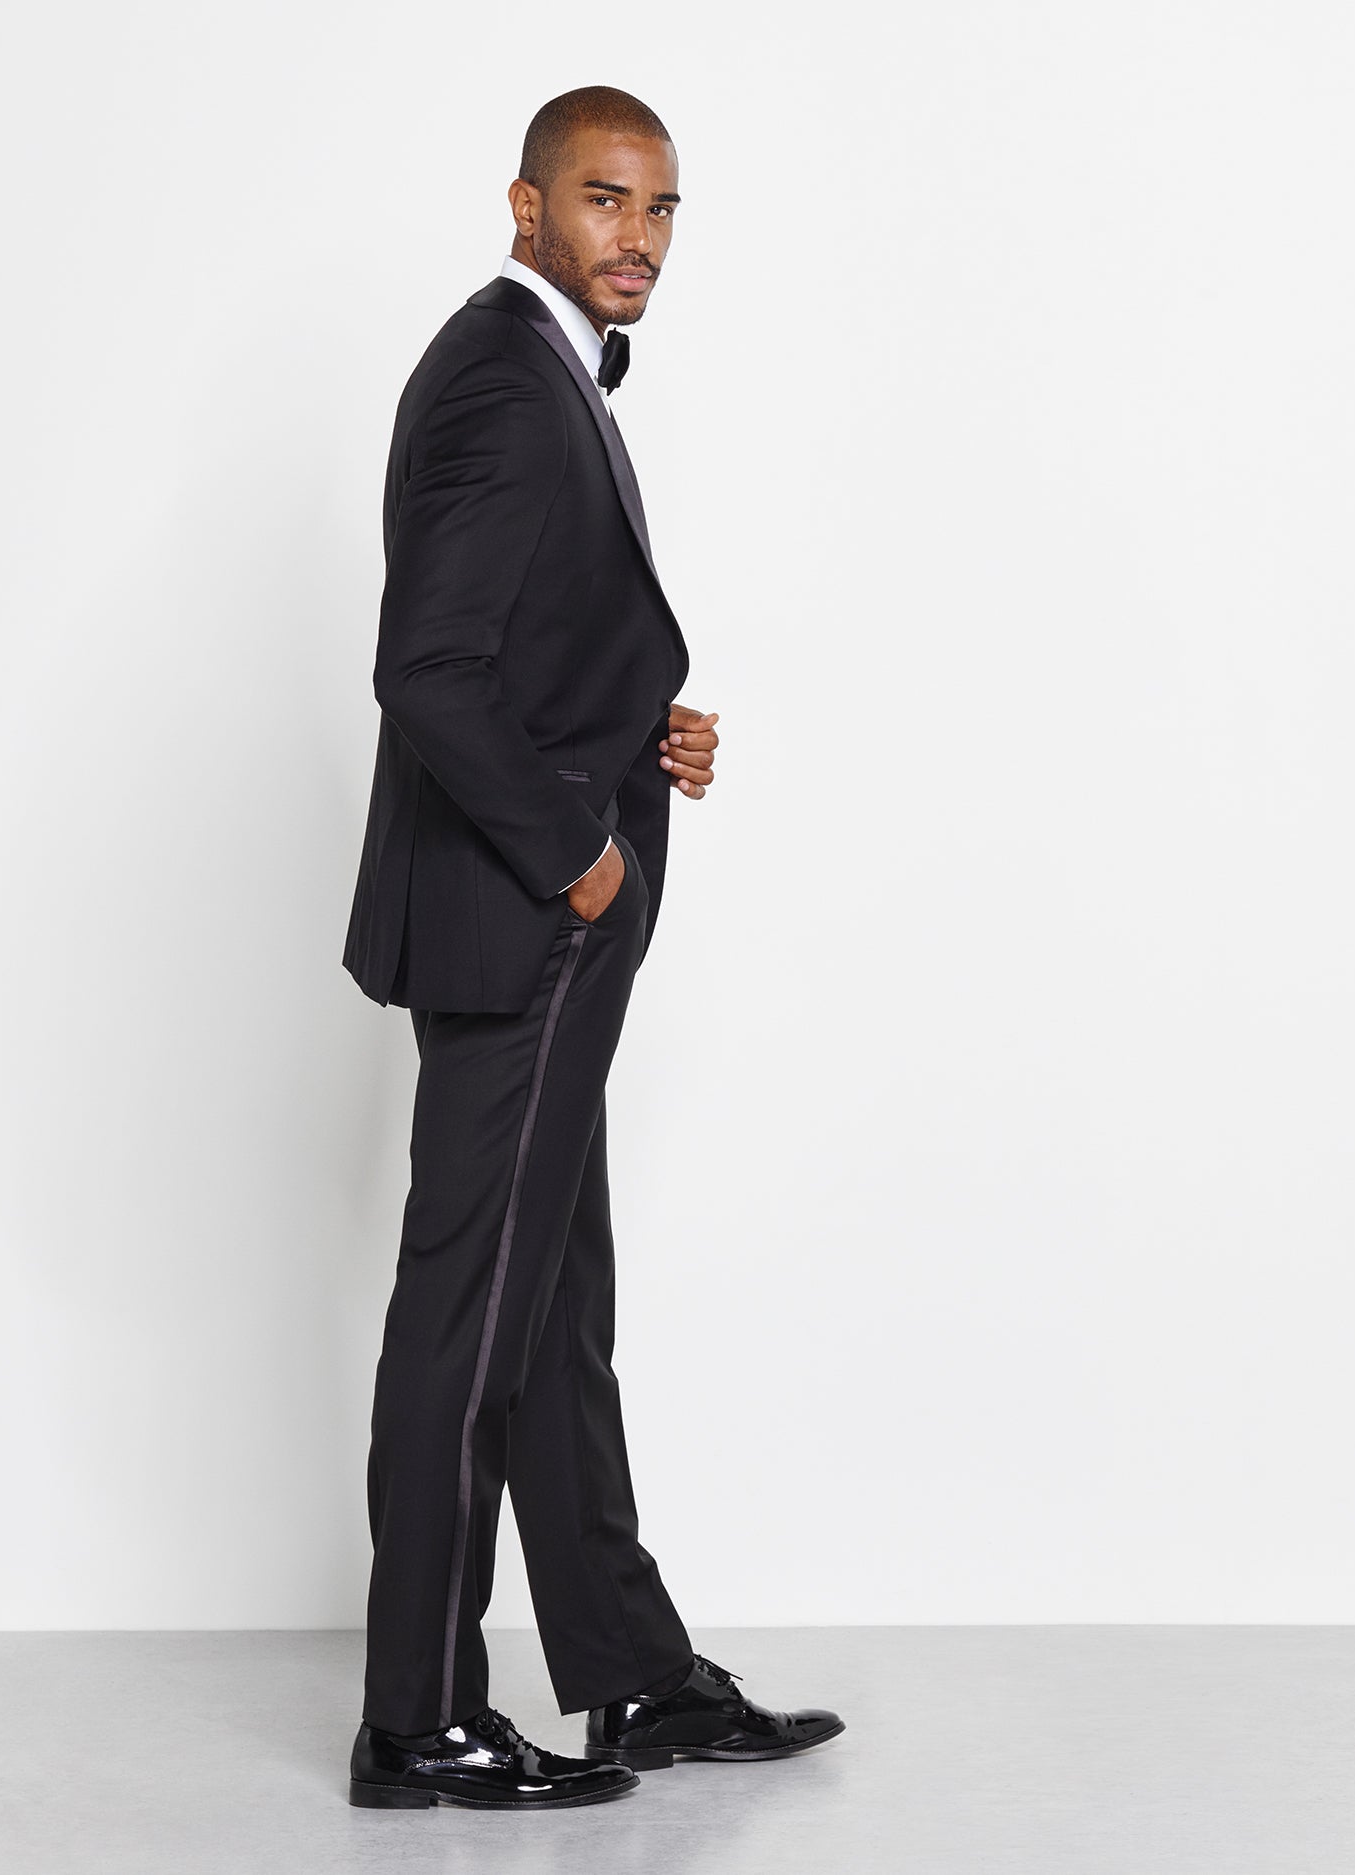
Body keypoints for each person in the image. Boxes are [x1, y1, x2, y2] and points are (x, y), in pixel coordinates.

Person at [340, 84, 843, 1812]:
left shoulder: (545, 366)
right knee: (473, 1322)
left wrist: (645, 731)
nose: (636, 235)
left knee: (553, 1310)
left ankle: (628, 1679)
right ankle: (416, 1715)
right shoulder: (499, 372)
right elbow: (429, 671)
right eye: (604, 200)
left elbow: (526, 651)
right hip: (521, 926)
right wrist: (585, 860)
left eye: (662, 208)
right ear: (526, 205)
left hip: (541, 915)